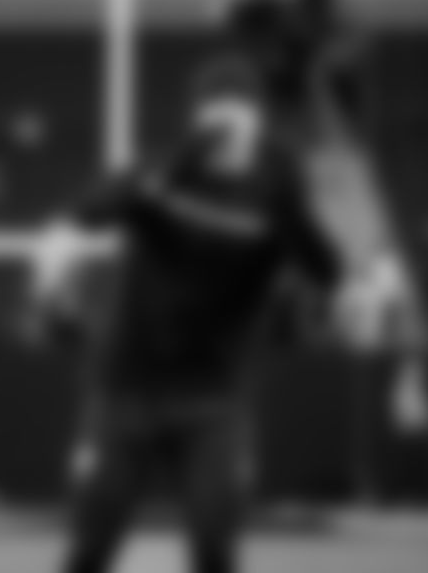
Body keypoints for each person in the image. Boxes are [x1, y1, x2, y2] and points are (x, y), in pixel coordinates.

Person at [32, 56, 342, 573]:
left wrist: (294, 216)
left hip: (212, 393)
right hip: (126, 387)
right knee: (91, 548)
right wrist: (167, 174)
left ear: (257, 120)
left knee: (214, 545)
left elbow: (327, 273)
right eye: (215, 117)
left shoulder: (276, 187)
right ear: (198, 121)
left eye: (238, 116)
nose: (228, 130)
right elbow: (87, 211)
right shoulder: (165, 171)